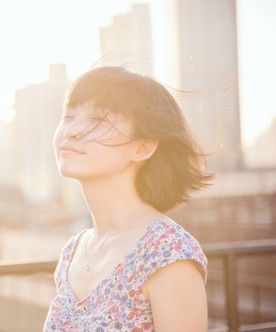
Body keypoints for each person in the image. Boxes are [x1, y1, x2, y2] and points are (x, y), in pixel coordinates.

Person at [44, 66, 214, 331]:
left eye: (98, 120)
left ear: (143, 147)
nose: (72, 130)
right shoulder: (73, 251)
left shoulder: (166, 250)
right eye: (68, 115)